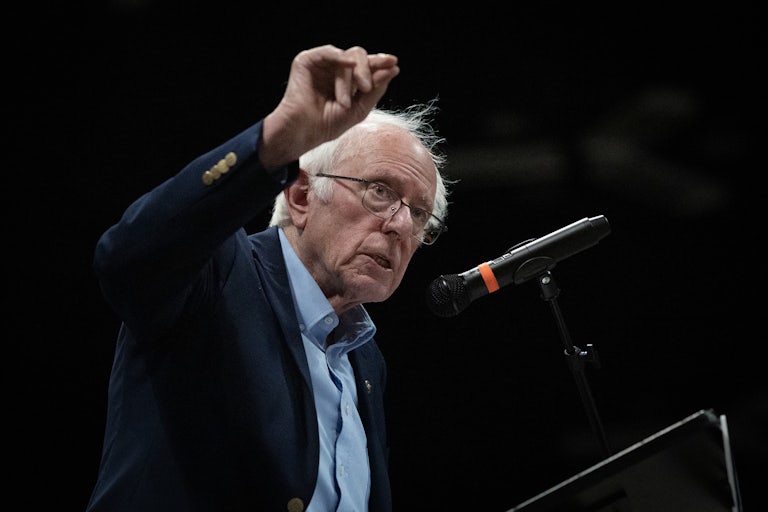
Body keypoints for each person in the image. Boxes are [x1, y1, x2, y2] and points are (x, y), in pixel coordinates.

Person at [86, 44, 451, 512]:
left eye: (419, 214)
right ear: (301, 196)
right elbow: (126, 256)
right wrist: (277, 138)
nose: (401, 225)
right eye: (380, 190)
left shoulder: (366, 360)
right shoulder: (217, 274)